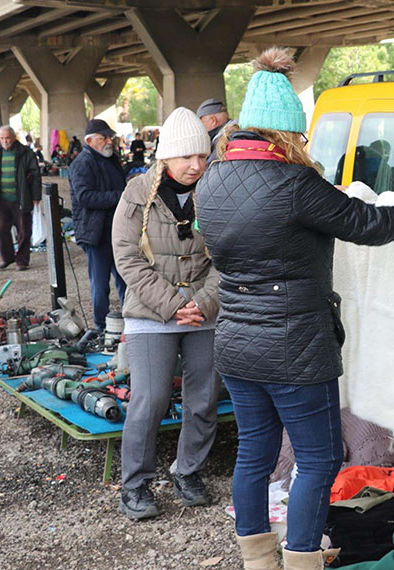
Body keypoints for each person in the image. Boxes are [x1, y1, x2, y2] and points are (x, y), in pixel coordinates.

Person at [196, 47, 394, 570]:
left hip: (234, 340)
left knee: (254, 451)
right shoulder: (296, 183)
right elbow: (367, 224)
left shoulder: (210, 181)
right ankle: (302, 557)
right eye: (298, 135)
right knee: (319, 458)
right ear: (285, 133)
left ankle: (257, 556)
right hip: (296, 344)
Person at [112, 108, 221, 520]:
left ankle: (188, 471)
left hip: (204, 312)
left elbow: (226, 257)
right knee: (150, 399)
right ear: (166, 157)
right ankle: (135, 484)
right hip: (150, 314)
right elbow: (127, 259)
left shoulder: (214, 190)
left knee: (204, 398)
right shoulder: (136, 195)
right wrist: (174, 306)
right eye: (186, 157)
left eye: (202, 156)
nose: (196, 165)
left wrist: (203, 303)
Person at [69, 119, 127, 331]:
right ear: (90, 140)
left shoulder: (111, 159)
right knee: (100, 285)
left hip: (117, 231)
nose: (109, 141)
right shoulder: (82, 164)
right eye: (104, 138)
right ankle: (103, 327)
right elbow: (85, 198)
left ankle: (130, 320)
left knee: (125, 279)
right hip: (96, 234)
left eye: (110, 137)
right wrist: (119, 196)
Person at [0, 126, 41, 270]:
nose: (5, 141)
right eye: (2, 138)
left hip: (21, 198)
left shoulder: (25, 152)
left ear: (14, 137)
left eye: (7, 138)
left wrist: (35, 195)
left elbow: (35, 174)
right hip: (2, 200)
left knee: (24, 230)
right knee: (1, 229)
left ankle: (22, 260)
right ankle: (7, 257)